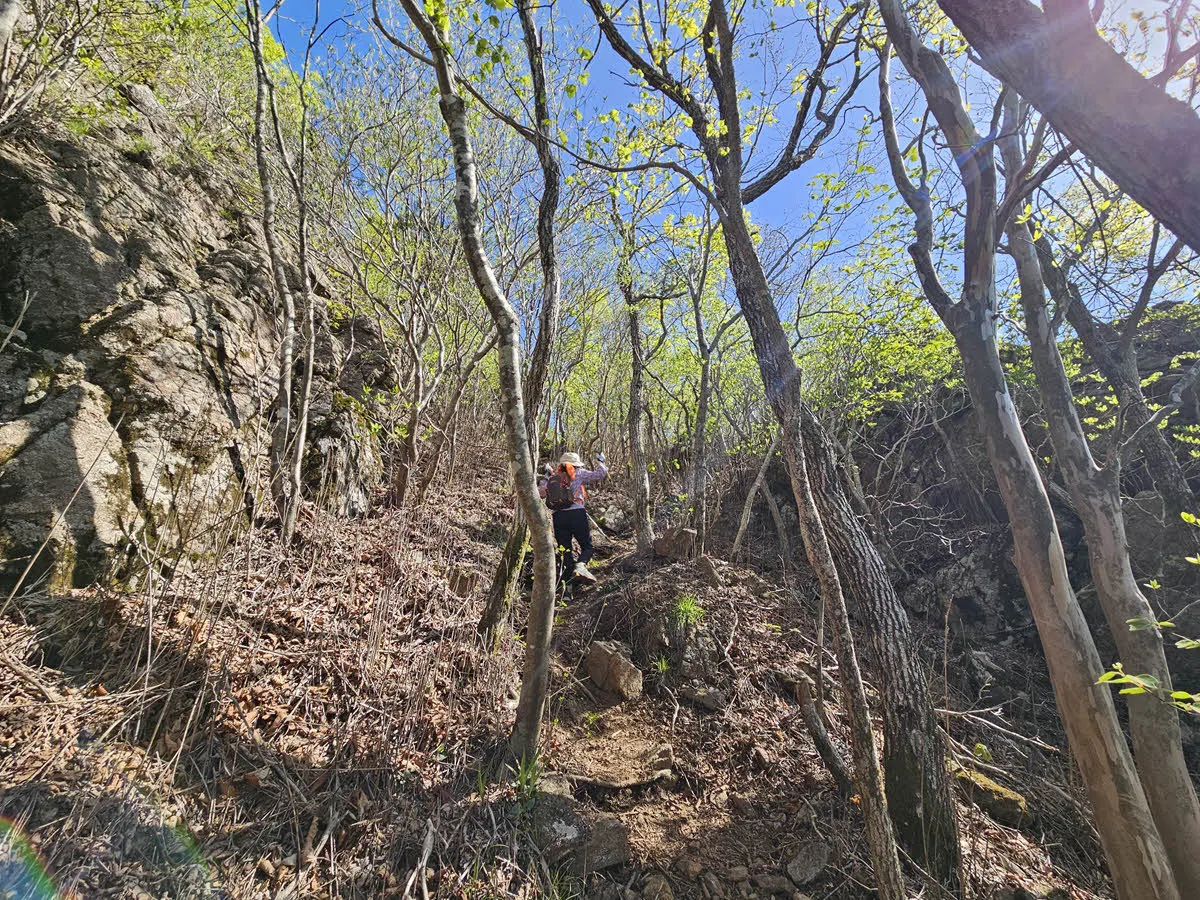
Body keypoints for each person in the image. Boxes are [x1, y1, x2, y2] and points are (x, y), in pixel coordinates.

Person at [538, 451, 607, 584]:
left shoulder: (553, 477)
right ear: (576, 464)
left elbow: (541, 493)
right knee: (587, 547)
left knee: (565, 554)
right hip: (577, 514)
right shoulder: (579, 472)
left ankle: (567, 592)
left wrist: (546, 476)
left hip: (558, 517)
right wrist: (601, 462)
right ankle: (580, 566)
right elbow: (600, 474)